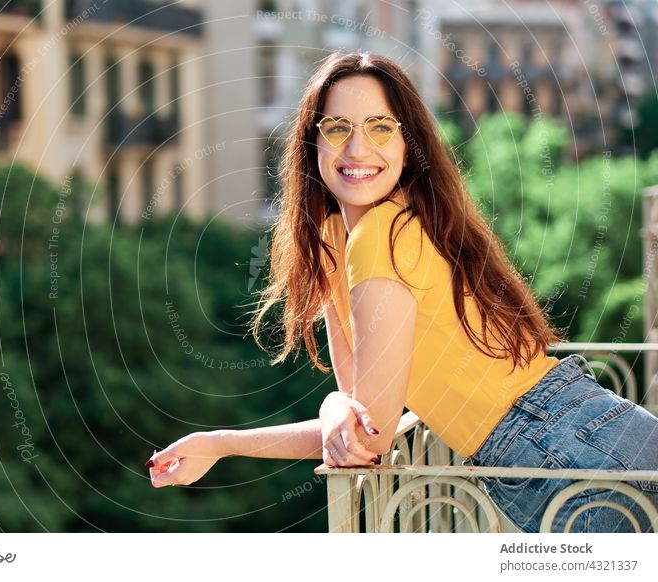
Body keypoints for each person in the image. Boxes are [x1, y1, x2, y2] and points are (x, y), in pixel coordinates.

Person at [145, 51, 658, 533]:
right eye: (337, 127)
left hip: (564, 448)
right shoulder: (353, 236)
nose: (357, 148)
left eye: (380, 128)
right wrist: (222, 442)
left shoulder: (382, 234)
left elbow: (367, 435)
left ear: (407, 144)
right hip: (568, 437)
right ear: (313, 142)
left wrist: (317, 414)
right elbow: (360, 403)